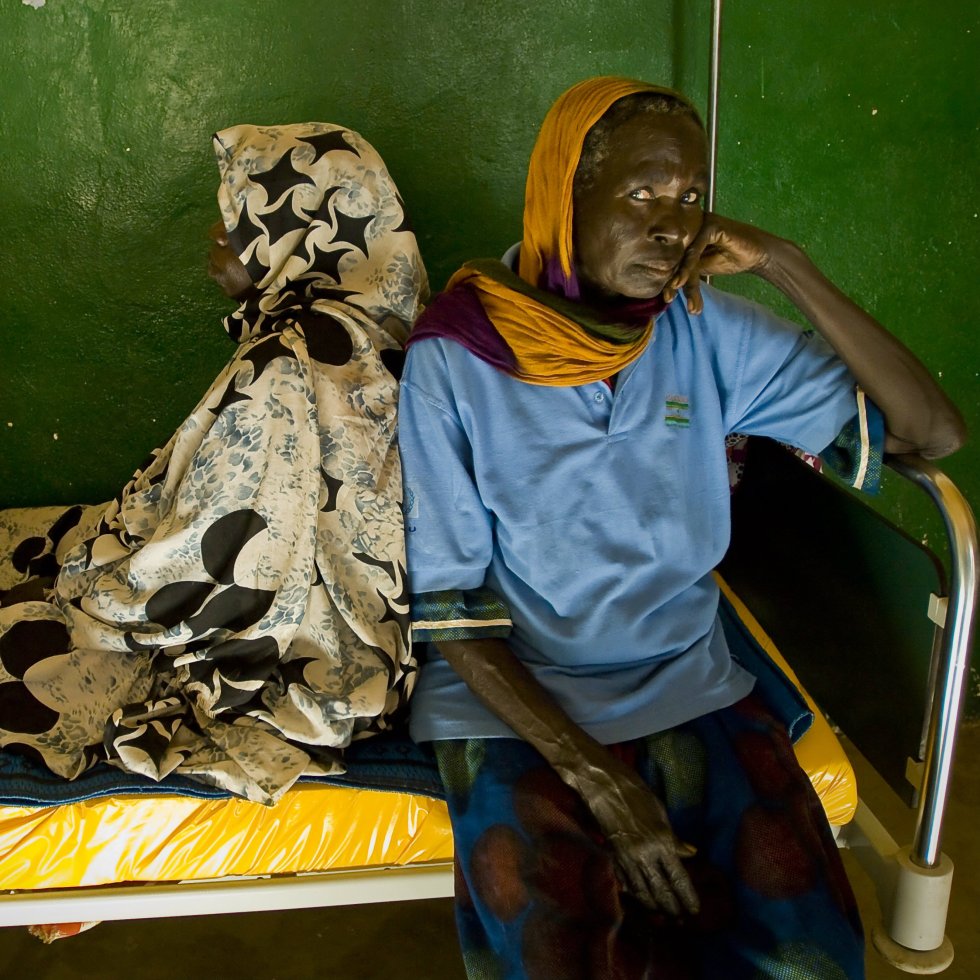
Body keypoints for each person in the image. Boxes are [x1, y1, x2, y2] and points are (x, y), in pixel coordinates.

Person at [397, 77, 965, 979]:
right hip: (517, 702)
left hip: (686, 673)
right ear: (565, 195)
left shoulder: (701, 330)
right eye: (642, 194)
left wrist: (785, 263)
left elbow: (930, 432)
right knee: (563, 955)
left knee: (806, 953)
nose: (672, 226)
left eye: (691, 197)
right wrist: (595, 777)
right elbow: (450, 607)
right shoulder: (457, 358)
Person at [0, 123, 427, 804]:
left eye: (237, 218)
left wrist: (86, 589)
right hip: (367, 650)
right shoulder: (368, 332)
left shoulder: (289, 361)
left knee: (25, 648)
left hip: (297, 660)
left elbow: (218, 557)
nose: (216, 236)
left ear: (295, 230)